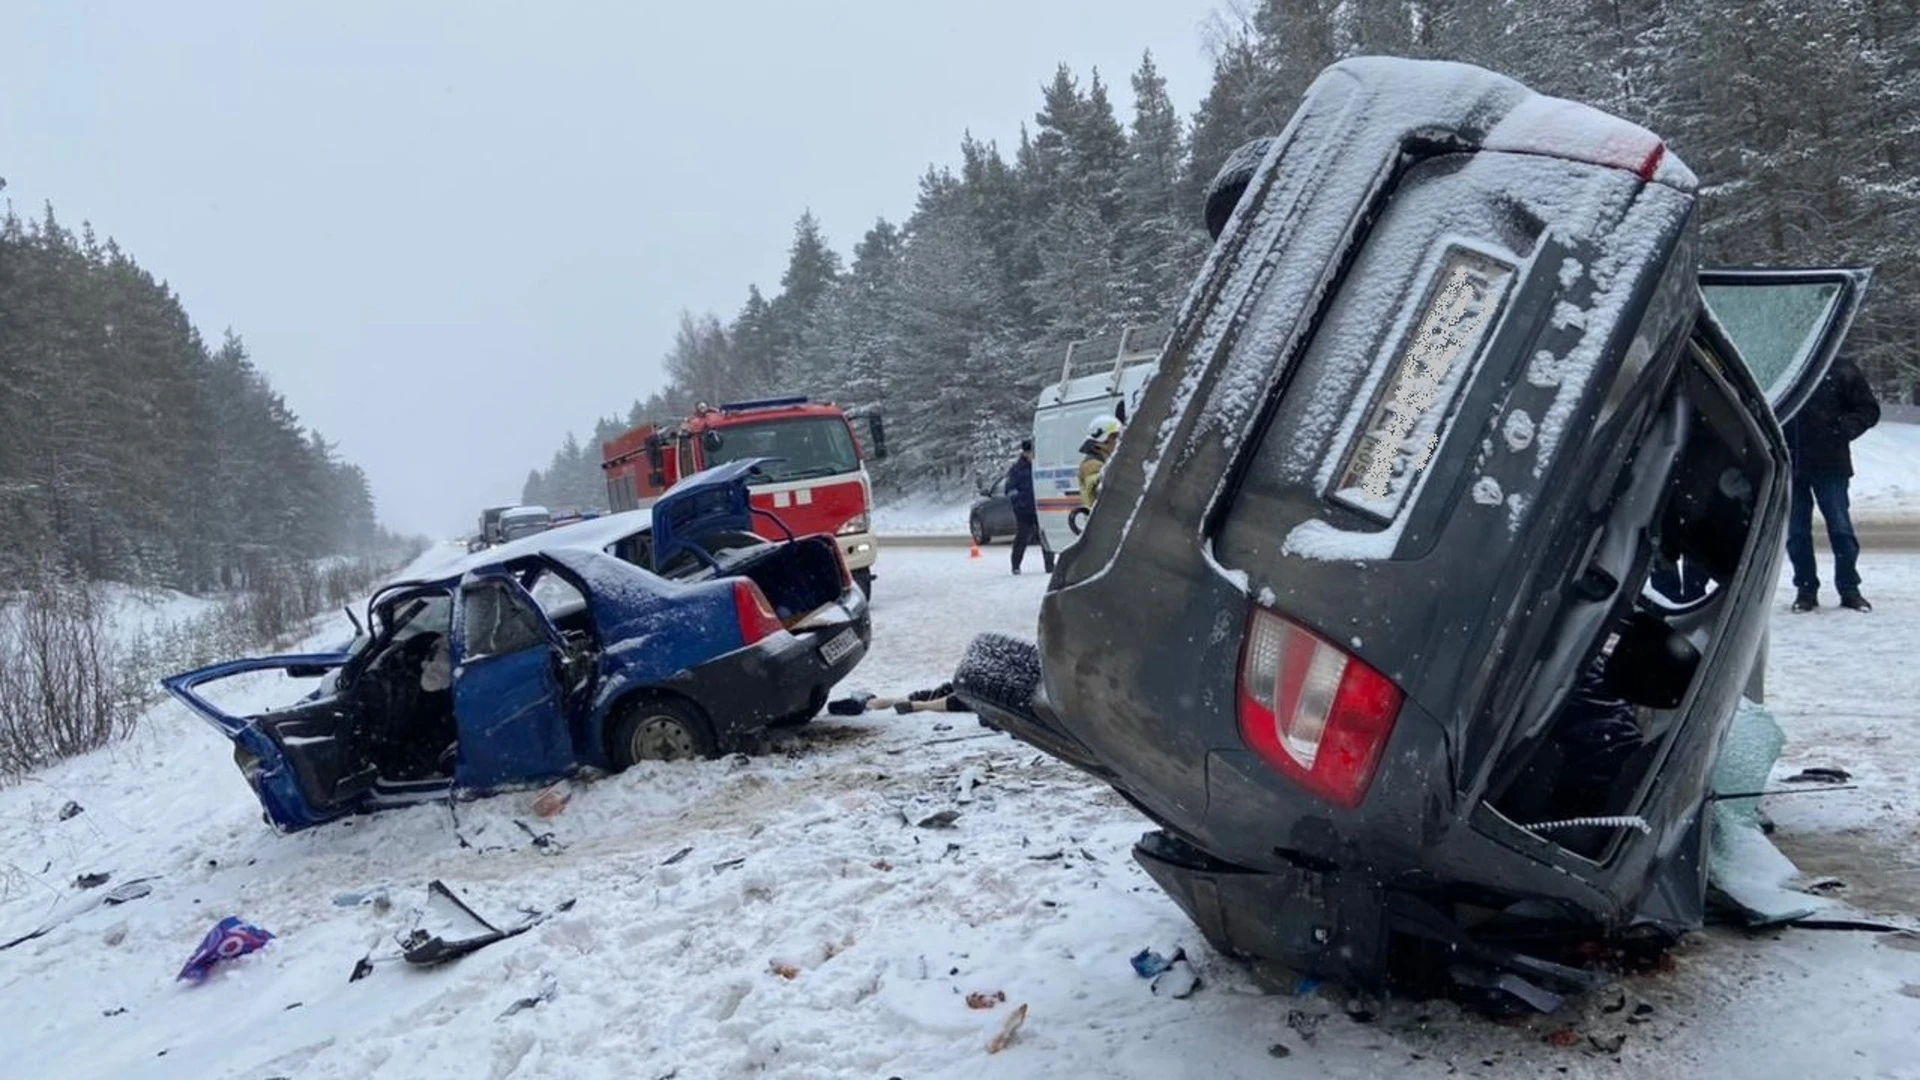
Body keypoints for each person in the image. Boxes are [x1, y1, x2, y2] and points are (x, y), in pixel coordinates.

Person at [1783, 355, 1881, 612]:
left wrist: (1841, 429)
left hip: (1831, 463)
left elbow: (1869, 409)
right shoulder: (1784, 367)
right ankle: (1805, 590)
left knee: (1840, 530)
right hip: (1790, 464)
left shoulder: (1839, 368)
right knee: (1796, 534)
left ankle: (1849, 589)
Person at [1006, 439, 1052, 575]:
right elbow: (1010, 489)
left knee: (1045, 537)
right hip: (1024, 510)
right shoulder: (1017, 469)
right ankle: (1016, 565)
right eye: (1031, 452)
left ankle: (1050, 566)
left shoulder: (1041, 466)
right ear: (1025, 453)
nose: (1033, 455)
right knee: (1022, 538)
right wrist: (1019, 502)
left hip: (1041, 508)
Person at [1078, 415, 1123, 509]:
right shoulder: (1092, 465)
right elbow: (1095, 484)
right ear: (1101, 443)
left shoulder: (1105, 459)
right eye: (1114, 437)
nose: (1119, 441)